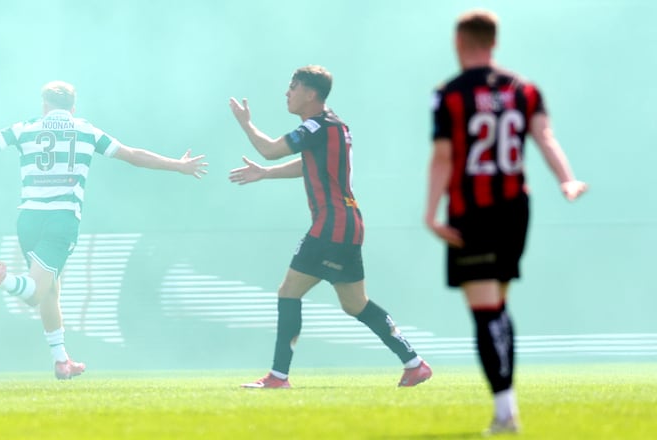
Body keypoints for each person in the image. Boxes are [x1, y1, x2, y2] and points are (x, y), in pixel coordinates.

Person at [0, 80, 208, 379]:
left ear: (45, 106)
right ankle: (3, 279)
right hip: (61, 218)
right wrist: (177, 165)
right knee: (36, 293)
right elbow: (132, 156)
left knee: (51, 290)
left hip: (28, 219)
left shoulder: (26, 128)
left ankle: (62, 361)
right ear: (73, 108)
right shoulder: (87, 130)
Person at [425, 10, 588, 434]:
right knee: (496, 303)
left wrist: (430, 213)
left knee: (484, 309)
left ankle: (504, 412)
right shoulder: (524, 89)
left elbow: (443, 157)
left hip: (472, 211)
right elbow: (545, 137)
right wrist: (567, 180)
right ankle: (506, 407)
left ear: (459, 42)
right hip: (516, 209)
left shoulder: (448, 93)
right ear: (494, 42)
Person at [229, 65, 432, 389]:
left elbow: (268, 149)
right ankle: (414, 363)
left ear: (310, 93)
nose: (287, 92)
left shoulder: (315, 127)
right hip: (349, 224)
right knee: (355, 304)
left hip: (331, 224)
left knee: (288, 291)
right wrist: (266, 175)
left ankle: (278, 377)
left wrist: (246, 124)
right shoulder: (332, 124)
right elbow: (308, 164)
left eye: (293, 87)